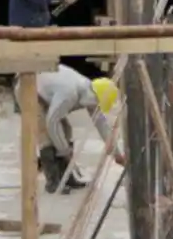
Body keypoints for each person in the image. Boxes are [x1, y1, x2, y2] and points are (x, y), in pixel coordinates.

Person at [16, 64, 126, 194]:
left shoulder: (90, 91)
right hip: (29, 89)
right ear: (95, 96)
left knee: (66, 130)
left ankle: (67, 177)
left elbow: (101, 124)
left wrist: (117, 154)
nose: (96, 107)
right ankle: (53, 181)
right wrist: (65, 151)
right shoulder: (70, 93)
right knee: (46, 134)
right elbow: (51, 123)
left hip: (46, 91)